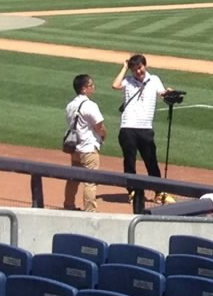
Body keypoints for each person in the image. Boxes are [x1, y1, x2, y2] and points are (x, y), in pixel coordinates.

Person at [112, 53, 165, 212]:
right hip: (128, 127)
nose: (138, 72)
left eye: (140, 68)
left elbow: (162, 93)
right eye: (134, 69)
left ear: (145, 65)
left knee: (151, 161)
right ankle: (132, 191)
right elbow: (115, 85)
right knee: (130, 161)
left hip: (146, 128)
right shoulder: (128, 81)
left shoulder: (154, 80)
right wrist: (124, 68)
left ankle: (159, 191)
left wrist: (169, 93)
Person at [63, 72, 107, 212]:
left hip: (75, 148)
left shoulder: (70, 105)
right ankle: (90, 211)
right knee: (90, 181)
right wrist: (103, 136)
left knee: (73, 179)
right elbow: (99, 126)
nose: (93, 87)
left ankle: (68, 205)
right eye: (90, 85)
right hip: (88, 149)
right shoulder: (90, 105)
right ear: (83, 88)